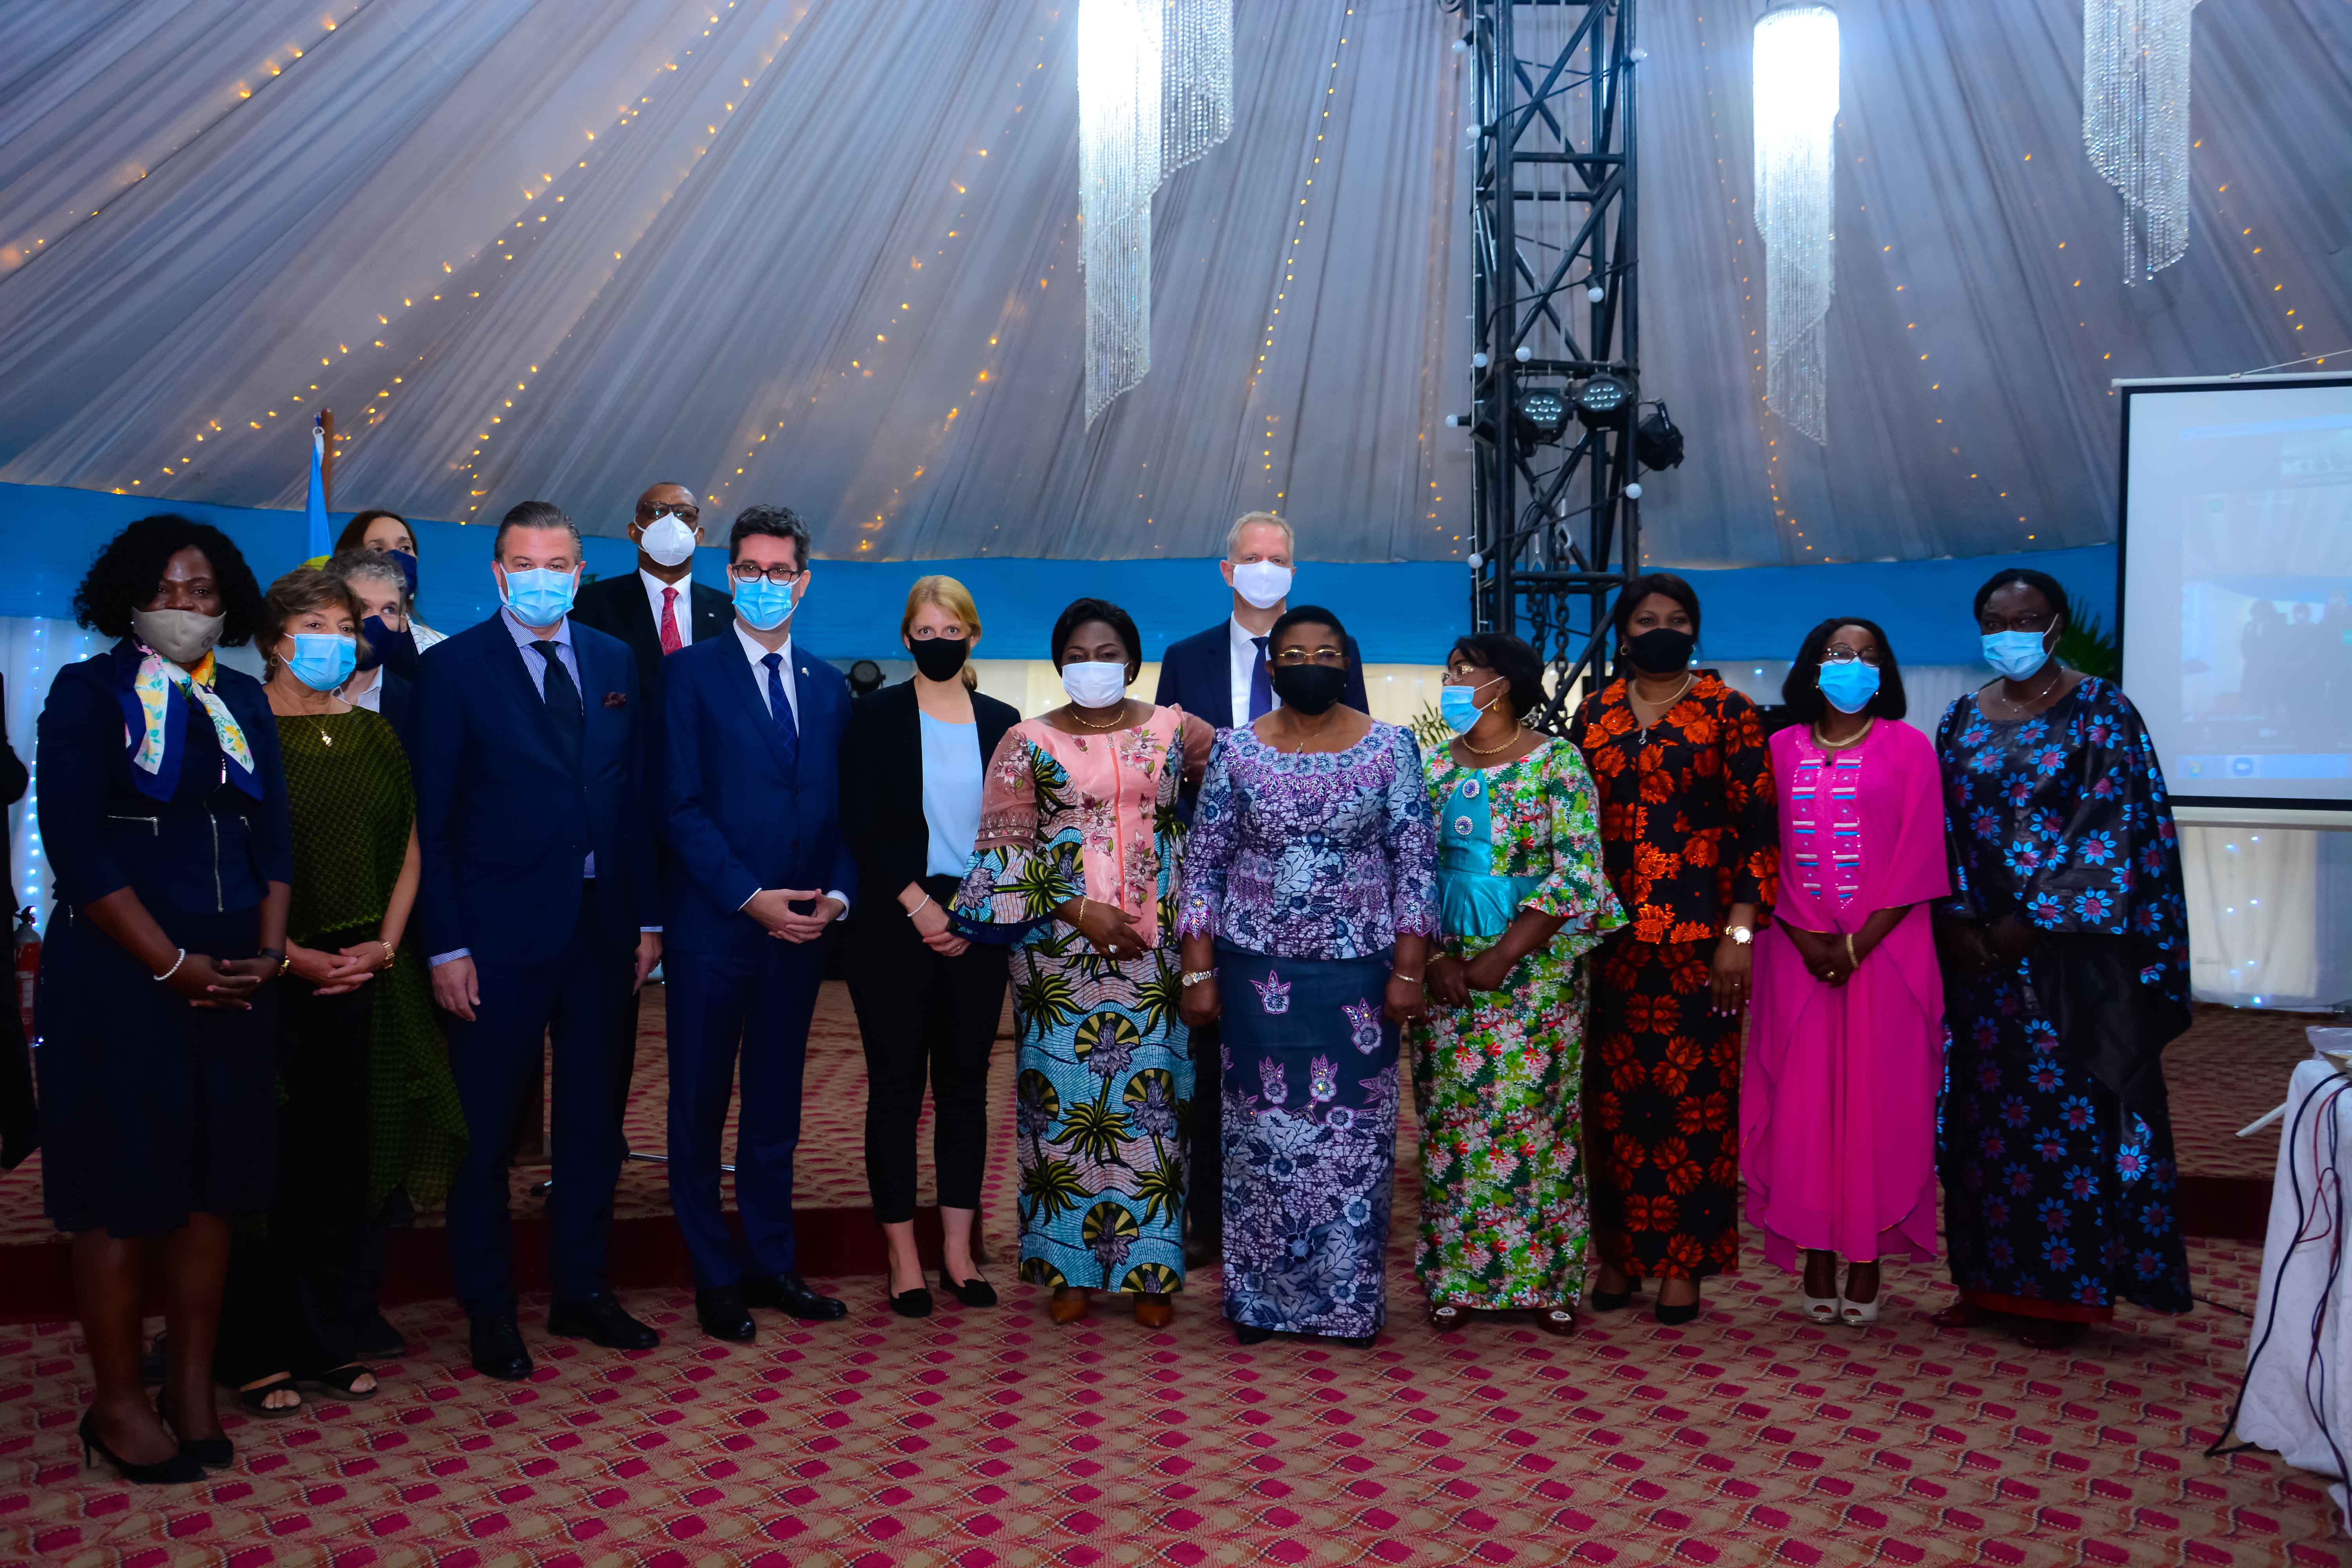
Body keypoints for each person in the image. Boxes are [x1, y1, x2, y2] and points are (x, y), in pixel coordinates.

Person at [35, 515, 291, 1481]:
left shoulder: (245, 701)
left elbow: (275, 842)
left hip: (235, 978)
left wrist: (269, 950)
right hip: (123, 974)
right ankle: (115, 1401)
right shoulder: (86, 693)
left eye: (205, 590)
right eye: (170, 589)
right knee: (119, 1191)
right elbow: (79, 849)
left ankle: (190, 1383)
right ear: (131, 599)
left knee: (210, 1192)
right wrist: (170, 964)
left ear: (229, 603)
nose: (188, 605)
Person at [416, 500, 663, 1380]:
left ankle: (581, 1289)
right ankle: (490, 1309)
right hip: (493, 940)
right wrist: (445, 945)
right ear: (496, 571)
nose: (542, 575)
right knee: (484, 1137)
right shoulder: (449, 671)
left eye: (558, 561)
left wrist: (647, 918)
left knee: (593, 1126)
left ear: (580, 571)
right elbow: (433, 825)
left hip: (603, 934)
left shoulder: (614, 658)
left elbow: (631, 802)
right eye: (525, 561)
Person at [215, 568, 467, 1408]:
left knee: (344, 1163)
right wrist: (288, 954)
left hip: (369, 969)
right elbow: (225, 861)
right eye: (315, 623)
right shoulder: (238, 728)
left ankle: (327, 1337)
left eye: (345, 624)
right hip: (271, 975)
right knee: (268, 1167)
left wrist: (386, 945)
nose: (334, 638)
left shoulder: (375, 733)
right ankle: (254, 1347)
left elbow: (409, 849)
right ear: (276, 639)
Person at [1933, 569, 2193, 1350]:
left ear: (2057, 623)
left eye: (2029, 617)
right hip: (1977, 964)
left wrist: (2030, 920)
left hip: (2070, 962)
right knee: (1984, 1124)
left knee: (2068, 1123)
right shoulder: (1959, 718)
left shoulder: (2103, 710)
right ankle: (1987, 1281)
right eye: (1995, 618)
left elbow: (2111, 827)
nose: (2010, 630)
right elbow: (1936, 826)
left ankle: (2065, 1295)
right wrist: (1958, 922)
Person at [1178, 605, 1438, 1349]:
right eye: (1295, 652)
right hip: (1255, 972)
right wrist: (1199, 972)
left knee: (1350, 1140)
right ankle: (1259, 1301)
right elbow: (1206, 865)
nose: (1310, 662)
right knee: (1260, 1140)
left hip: (1359, 974)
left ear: (1347, 663)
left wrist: (1410, 972)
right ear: (1272, 666)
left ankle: (1345, 1304)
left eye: (1326, 652)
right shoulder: (1236, 751)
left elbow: (1413, 864)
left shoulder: (1392, 749)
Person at [953, 598, 1194, 1328]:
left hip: (1154, 952)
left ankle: (1153, 1271)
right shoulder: (1025, 740)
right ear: (1061, 662)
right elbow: (1002, 854)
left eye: (1108, 652)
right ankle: (1068, 1270)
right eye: (1079, 655)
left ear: (1133, 658)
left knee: (1153, 1107)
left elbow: (1230, 798)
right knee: (1059, 1111)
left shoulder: (1175, 730)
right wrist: (1076, 909)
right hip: (1058, 957)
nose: (1094, 666)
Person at [658, 505, 855, 1340]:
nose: (765, 584)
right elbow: (679, 805)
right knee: (699, 1105)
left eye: (781, 572)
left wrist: (836, 898)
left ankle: (772, 1262)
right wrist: (750, 898)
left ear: (802, 583)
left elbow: (849, 811)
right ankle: (715, 1274)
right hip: (717, 929)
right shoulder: (687, 674)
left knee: (776, 1103)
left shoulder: (830, 683)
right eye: (749, 569)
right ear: (727, 575)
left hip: (804, 933)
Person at [1151, 511, 1365, 1261]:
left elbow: (1355, 750)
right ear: (1227, 570)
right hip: (1227, 898)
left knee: (1315, 1065)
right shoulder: (1186, 657)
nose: (1265, 567)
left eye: (1278, 557)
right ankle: (1211, 1220)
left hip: (1323, 911)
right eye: (1253, 557)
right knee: (1217, 1067)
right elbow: (1167, 770)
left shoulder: (1338, 652)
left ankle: (1313, 1213)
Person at [1566, 572, 1777, 1326]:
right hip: (1610, 943)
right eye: (1648, 618)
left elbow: (1758, 830)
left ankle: (1685, 1263)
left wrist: (1740, 934)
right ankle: (1621, 1255)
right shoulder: (1593, 716)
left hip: (1700, 946)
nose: (1663, 628)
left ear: (1696, 631)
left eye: (1678, 618)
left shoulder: (1730, 712)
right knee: (1614, 1105)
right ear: (1623, 633)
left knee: (1695, 1106)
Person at [1410, 633, 1621, 1337]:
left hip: (1537, 974)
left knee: (1539, 1125)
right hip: (1449, 978)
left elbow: (1581, 873)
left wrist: (1503, 955)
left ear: (1506, 685)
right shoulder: (1431, 767)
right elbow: (1408, 876)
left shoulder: (1557, 762)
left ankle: (1549, 1282)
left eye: (1466, 671)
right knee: (1450, 1126)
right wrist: (1437, 958)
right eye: (1451, 669)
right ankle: (1454, 1280)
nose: (1454, 680)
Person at [1744, 617, 1947, 1328]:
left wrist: (1857, 944)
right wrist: (1809, 940)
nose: (1852, 666)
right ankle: (1817, 1254)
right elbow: (1766, 858)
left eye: (1867, 656)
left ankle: (1866, 1257)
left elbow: (1921, 858)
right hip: (1797, 956)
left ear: (1885, 671)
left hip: (1889, 955)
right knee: (1804, 1103)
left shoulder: (1912, 748)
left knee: (1880, 1102)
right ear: (1813, 668)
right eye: (1838, 655)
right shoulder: (1777, 749)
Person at [840, 577, 1020, 1317]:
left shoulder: (1005, 722)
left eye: (953, 633)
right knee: (893, 1092)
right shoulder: (875, 716)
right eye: (926, 632)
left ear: (973, 638)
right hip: (893, 925)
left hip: (976, 928)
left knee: (964, 1093)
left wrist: (968, 915)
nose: (939, 643)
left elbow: (1017, 833)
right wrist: (917, 906)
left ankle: (956, 1252)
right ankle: (903, 1258)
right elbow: (862, 821)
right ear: (906, 637)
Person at [571, 483, 734, 1160]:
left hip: (705, 831)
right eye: (659, 514)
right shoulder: (593, 604)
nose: (674, 525)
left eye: (688, 516)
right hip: (619, 829)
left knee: (707, 1009)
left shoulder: (728, 612)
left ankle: (695, 1155)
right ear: (634, 530)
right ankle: (595, 1155)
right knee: (608, 1009)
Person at [571, 483, 735, 695]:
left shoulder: (730, 612)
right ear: (633, 532)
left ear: (698, 535)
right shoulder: (588, 605)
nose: (671, 522)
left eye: (684, 514)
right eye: (656, 511)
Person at [327, 548, 421, 753]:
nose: (375, 621)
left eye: (389, 610)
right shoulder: (283, 699)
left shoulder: (420, 706)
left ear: (402, 622)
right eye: (362, 608)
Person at [334, 510, 443, 650]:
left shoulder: (440, 648)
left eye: (405, 548)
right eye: (379, 549)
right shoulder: (326, 646)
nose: (396, 557)